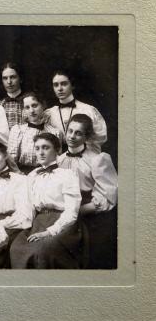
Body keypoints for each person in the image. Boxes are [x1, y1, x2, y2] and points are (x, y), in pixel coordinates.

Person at [10, 133, 82, 269]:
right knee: (16, 248)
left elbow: (71, 212)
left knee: (42, 251)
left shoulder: (67, 175)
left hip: (63, 224)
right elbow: (27, 208)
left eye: (45, 148)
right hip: (38, 222)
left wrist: (49, 232)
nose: (40, 152)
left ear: (57, 150)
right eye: (37, 148)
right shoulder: (32, 176)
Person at [57, 113, 118, 268]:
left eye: (78, 133)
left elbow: (107, 196)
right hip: (64, 209)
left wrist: (79, 211)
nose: (72, 136)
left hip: (88, 211)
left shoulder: (97, 159)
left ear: (87, 136)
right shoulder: (59, 159)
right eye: (70, 131)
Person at [44, 69, 107, 153]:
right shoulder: (49, 113)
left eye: (64, 84)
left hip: (83, 156)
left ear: (72, 85)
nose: (59, 88)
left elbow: (100, 137)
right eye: (56, 85)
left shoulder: (88, 110)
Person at [7, 92, 62, 174]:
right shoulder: (18, 130)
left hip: (46, 174)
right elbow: (11, 160)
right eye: (27, 107)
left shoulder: (55, 132)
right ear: (23, 110)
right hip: (22, 175)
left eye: (34, 106)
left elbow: (56, 159)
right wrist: (19, 174)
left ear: (42, 106)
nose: (31, 111)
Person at [0, 62, 26, 129]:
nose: (9, 82)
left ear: (20, 79)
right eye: (5, 78)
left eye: (12, 77)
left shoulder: (29, 103)